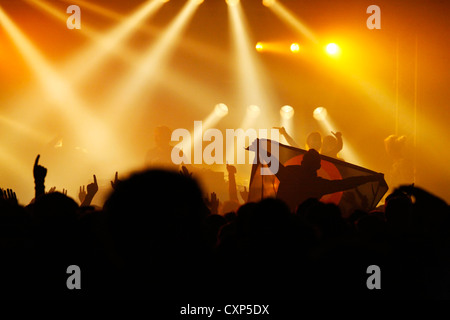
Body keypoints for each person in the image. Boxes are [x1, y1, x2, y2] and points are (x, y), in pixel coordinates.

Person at [251, 139, 384, 211]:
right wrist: (370, 178)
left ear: (302, 162)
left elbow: (271, 161)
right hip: (304, 228)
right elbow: (346, 183)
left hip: (279, 221)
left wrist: (260, 149)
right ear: (319, 166)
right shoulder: (319, 185)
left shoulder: (288, 174)